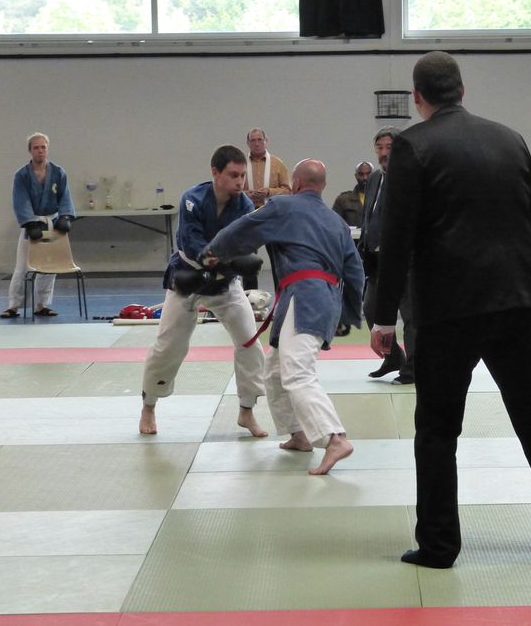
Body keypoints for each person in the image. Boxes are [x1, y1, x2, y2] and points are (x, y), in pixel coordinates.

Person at [370, 51, 531, 568]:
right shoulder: (510, 138)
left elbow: (397, 238)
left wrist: (384, 317)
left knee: (437, 429)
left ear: (418, 97)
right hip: (515, 302)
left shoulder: (412, 145)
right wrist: (529, 294)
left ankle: (438, 544)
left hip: (446, 310)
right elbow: (529, 222)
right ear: (462, 90)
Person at [207, 159, 364, 475]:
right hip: (322, 298)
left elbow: (242, 230)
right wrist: (345, 314)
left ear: (295, 182)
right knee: (275, 371)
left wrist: (215, 250)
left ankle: (334, 437)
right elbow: (356, 272)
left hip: (304, 295)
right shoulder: (336, 222)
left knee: (297, 372)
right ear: (321, 186)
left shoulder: (283, 206)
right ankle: (299, 434)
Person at [138, 145, 267, 438]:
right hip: (188, 279)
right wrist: (216, 261)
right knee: (169, 346)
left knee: (250, 342)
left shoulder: (245, 206)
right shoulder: (192, 200)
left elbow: (242, 245)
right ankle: (149, 404)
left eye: (243, 176)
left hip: (224, 283)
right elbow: (193, 242)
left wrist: (227, 265)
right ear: (215, 173)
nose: (240, 182)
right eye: (233, 175)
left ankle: (246, 410)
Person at [360, 127, 414, 385]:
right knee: (370, 308)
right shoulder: (373, 179)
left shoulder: (411, 177)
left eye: (389, 147)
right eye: (379, 147)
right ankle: (393, 357)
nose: (383, 153)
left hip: (405, 260)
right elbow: (368, 216)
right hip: (377, 259)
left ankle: (413, 369)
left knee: (410, 315)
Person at [0, 132, 75, 319]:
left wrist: (66, 216)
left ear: (47, 149)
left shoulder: (58, 172)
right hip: (32, 223)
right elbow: (20, 200)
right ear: (30, 151)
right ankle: (13, 305)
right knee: (22, 267)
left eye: (43, 147)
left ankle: (41, 304)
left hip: (52, 222)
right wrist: (29, 223)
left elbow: (65, 196)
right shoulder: (22, 175)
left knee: (49, 267)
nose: (40, 151)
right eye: (36, 147)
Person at [243, 128, 292, 290]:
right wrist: (245, 195)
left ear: (266, 141)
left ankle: (281, 297)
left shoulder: (277, 164)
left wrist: (269, 191)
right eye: (253, 140)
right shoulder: (241, 164)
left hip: (272, 216)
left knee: (277, 259)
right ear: (248, 143)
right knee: (248, 261)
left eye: (260, 140)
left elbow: (288, 191)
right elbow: (232, 189)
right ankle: (250, 300)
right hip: (249, 216)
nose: (257, 144)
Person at [331, 161, 373, 227]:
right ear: (356, 176)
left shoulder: (381, 198)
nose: (365, 178)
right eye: (361, 174)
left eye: (368, 174)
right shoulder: (343, 200)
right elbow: (334, 226)